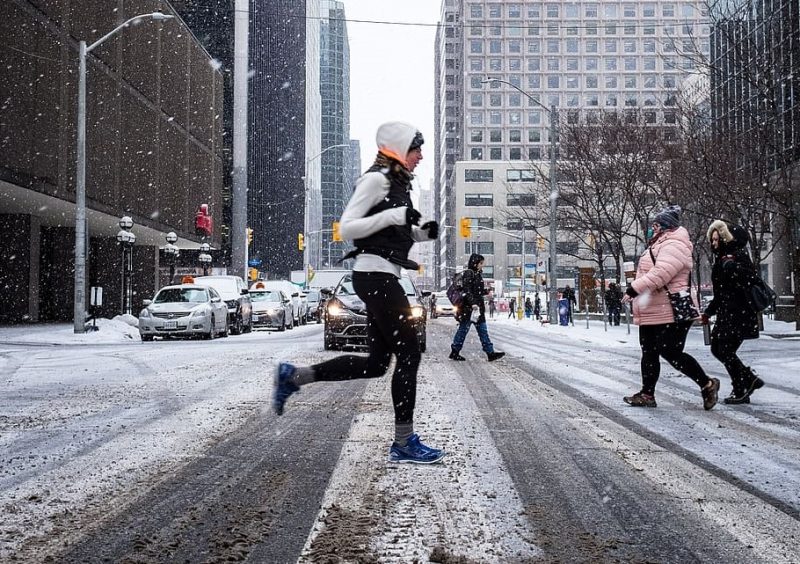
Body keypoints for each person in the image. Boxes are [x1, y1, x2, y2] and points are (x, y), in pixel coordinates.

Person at [272, 122, 445, 464]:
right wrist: (397, 214)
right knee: (410, 354)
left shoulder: (396, 183)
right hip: (375, 276)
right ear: (398, 148)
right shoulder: (376, 179)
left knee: (377, 364)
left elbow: (393, 229)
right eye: (416, 149)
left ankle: (295, 376)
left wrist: (423, 232)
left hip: (379, 275)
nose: (421, 156)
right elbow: (348, 227)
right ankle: (404, 442)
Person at [621, 205, 720, 410]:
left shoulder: (674, 244)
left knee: (670, 351)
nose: (652, 229)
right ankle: (647, 394)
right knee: (648, 352)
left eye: (656, 225)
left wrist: (634, 288)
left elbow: (661, 274)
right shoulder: (658, 244)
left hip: (671, 309)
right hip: (653, 308)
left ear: (666, 226)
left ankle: (707, 383)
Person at [703, 220, 765, 404]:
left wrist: (733, 267)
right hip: (727, 312)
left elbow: (751, 278)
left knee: (723, 349)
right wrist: (709, 312)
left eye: (716, 240)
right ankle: (745, 382)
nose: (713, 243)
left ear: (724, 239)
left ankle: (743, 384)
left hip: (739, 312)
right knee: (720, 349)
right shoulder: (721, 258)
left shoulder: (736, 255)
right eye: (712, 240)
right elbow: (721, 293)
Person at [449, 253, 506, 362]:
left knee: (481, 330)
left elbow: (476, 291)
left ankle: (490, 352)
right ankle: (455, 351)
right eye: (481, 263)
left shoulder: (477, 274)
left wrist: (485, 291)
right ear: (475, 263)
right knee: (463, 330)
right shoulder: (469, 273)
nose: (482, 265)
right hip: (470, 309)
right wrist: (473, 303)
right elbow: (467, 290)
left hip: (477, 309)